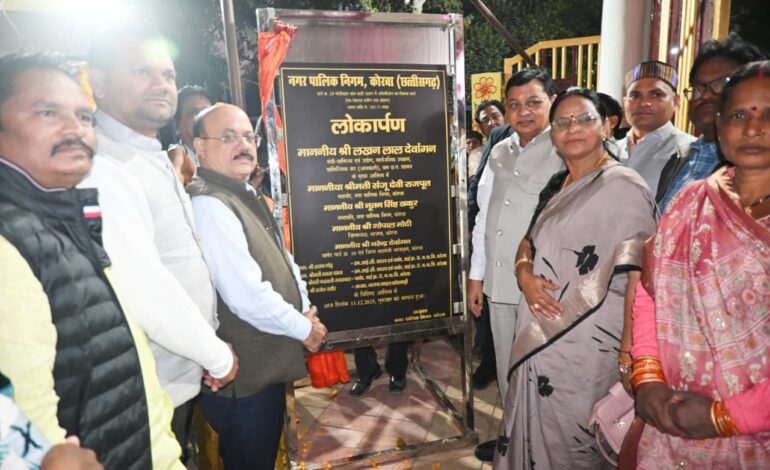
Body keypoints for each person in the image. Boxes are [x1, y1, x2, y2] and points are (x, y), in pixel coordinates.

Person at [0, 52, 182, 469]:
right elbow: (29, 420)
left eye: (84, 116)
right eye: (48, 112)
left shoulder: (62, 221)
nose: (75, 129)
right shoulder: (10, 243)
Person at [84, 27, 236, 455]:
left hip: (178, 371)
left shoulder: (151, 154)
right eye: (142, 72)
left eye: (168, 75)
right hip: (145, 382)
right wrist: (216, 355)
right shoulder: (103, 165)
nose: (161, 84)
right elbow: (145, 285)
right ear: (98, 82)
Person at [494, 88, 658, 469]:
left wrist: (629, 351)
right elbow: (528, 241)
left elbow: (642, 274)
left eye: (584, 119)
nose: (573, 128)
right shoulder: (558, 184)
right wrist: (523, 273)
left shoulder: (625, 187)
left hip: (591, 343)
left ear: (607, 127)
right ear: (552, 134)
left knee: (575, 438)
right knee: (535, 429)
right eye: (562, 122)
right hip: (538, 333)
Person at [631, 61, 770, 469]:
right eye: (739, 115)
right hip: (672, 423)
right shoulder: (691, 200)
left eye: (768, 114)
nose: (753, 128)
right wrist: (647, 377)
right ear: (720, 125)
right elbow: (651, 291)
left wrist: (724, 417)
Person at [186, 104, 328, 469]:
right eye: (228, 137)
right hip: (245, 376)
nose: (243, 146)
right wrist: (304, 329)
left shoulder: (241, 193)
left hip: (265, 366)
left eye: (248, 137)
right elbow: (245, 296)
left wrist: (305, 311)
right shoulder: (209, 202)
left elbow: (284, 260)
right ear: (199, 147)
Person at [469, 68, 565, 461]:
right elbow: (485, 215)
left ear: (552, 103)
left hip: (543, 286)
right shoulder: (500, 150)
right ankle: (512, 440)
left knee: (542, 372)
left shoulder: (566, 147)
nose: (523, 111)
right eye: (514, 104)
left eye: (533, 102)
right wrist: (476, 276)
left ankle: (541, 448)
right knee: (508, 370)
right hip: (499, 281)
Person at [657, 33, 766, 211]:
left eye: (723, 83)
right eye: (699, 87)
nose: (706, 95)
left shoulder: (754, 164)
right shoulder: (679, 159)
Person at [618, 60, 696, 195]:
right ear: (625, 103)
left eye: (656, 94)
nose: (644, 103)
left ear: (676, 102)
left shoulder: (691, 151)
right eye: (635, 96)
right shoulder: (609, 150)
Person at [173, 85, 212, 167]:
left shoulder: (227, 156)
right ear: (177, 124)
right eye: (194, 113)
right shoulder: (169, 165)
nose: (202, 118)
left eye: (207, 112)